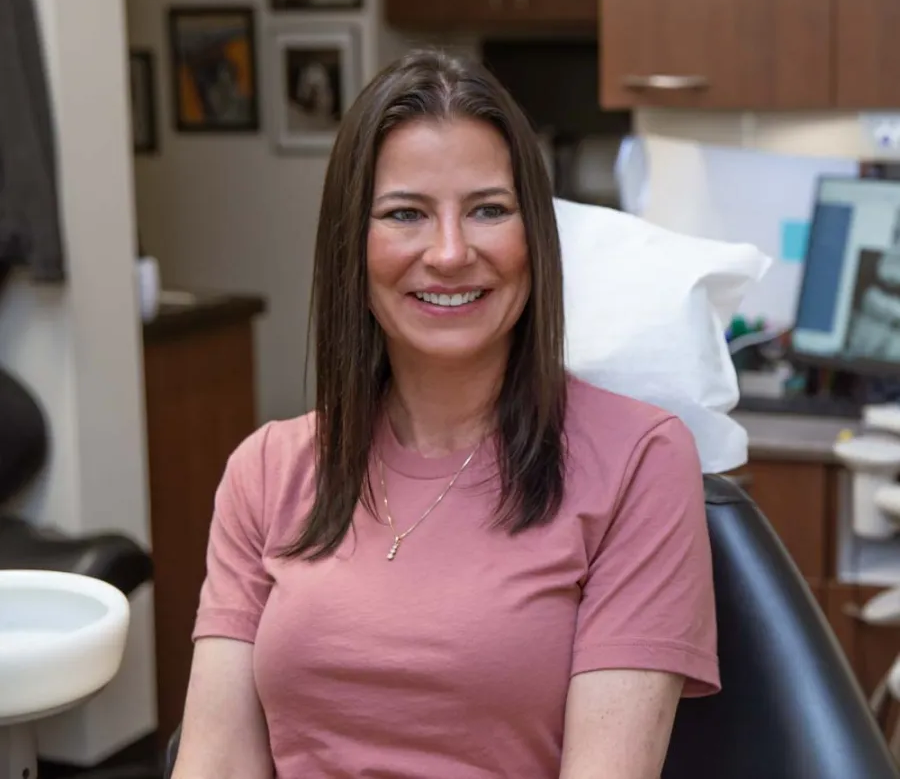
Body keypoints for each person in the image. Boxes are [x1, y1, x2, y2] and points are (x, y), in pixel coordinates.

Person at [172, 49, 720, 779]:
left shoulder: (639, 462)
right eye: (406, 214)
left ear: (534, 239)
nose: (452, 252)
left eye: (489, 210)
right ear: (352, 251)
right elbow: (215, 765)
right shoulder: (266, 472)